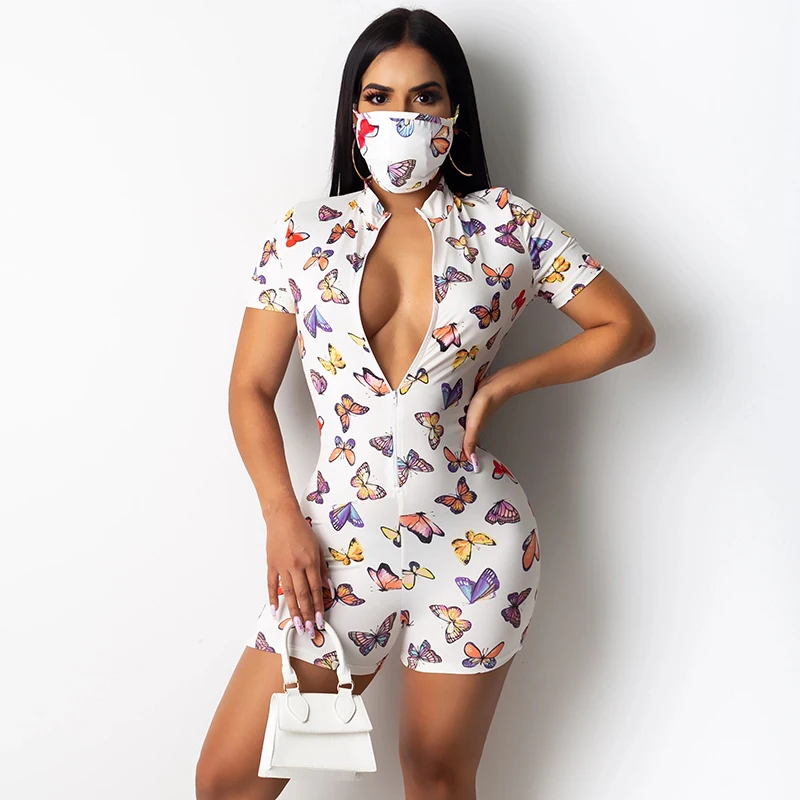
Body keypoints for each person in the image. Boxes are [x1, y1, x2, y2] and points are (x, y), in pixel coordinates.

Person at [196, 7, 655, 799]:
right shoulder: (302, 235)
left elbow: (628, 328)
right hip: (332, 551)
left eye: (425, 97)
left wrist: (507, 381)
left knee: (438, 777)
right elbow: (249, 388)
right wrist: (281, 519)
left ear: (453, 114)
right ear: (354, 114)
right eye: (380, 97)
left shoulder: (508, 226)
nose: (401, 117)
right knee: (228, 781)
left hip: (476, 545)